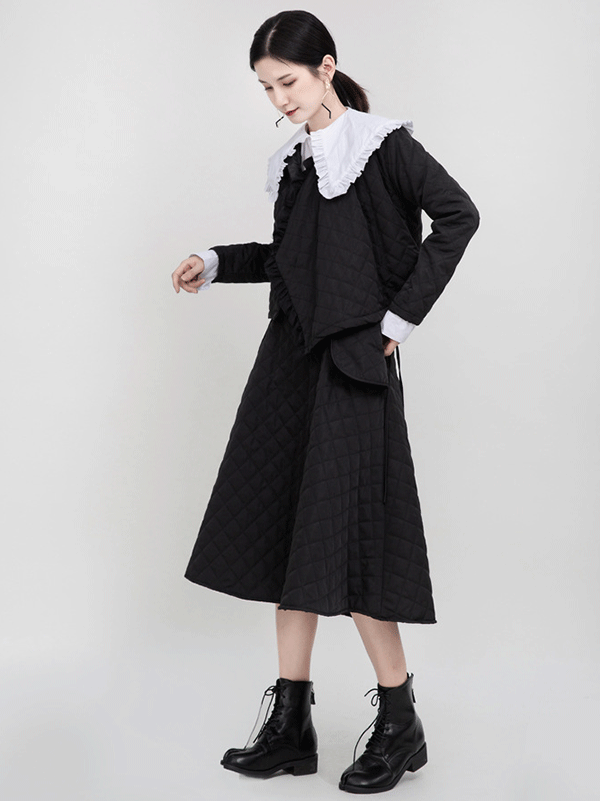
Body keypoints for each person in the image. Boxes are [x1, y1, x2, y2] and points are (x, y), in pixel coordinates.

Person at [171, 9, 479, 795]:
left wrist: (398, 320)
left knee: (356, 542)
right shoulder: (297, 162)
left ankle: (401, 720)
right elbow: (290, 259)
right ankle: (291, 722)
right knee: (286, 536)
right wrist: (213, 260)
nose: (280, 99)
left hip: (354, 366)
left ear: (326, 68)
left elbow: (458, 215)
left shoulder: (384, 146)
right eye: (267, 88)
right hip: (290, 362)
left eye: (289, 82)